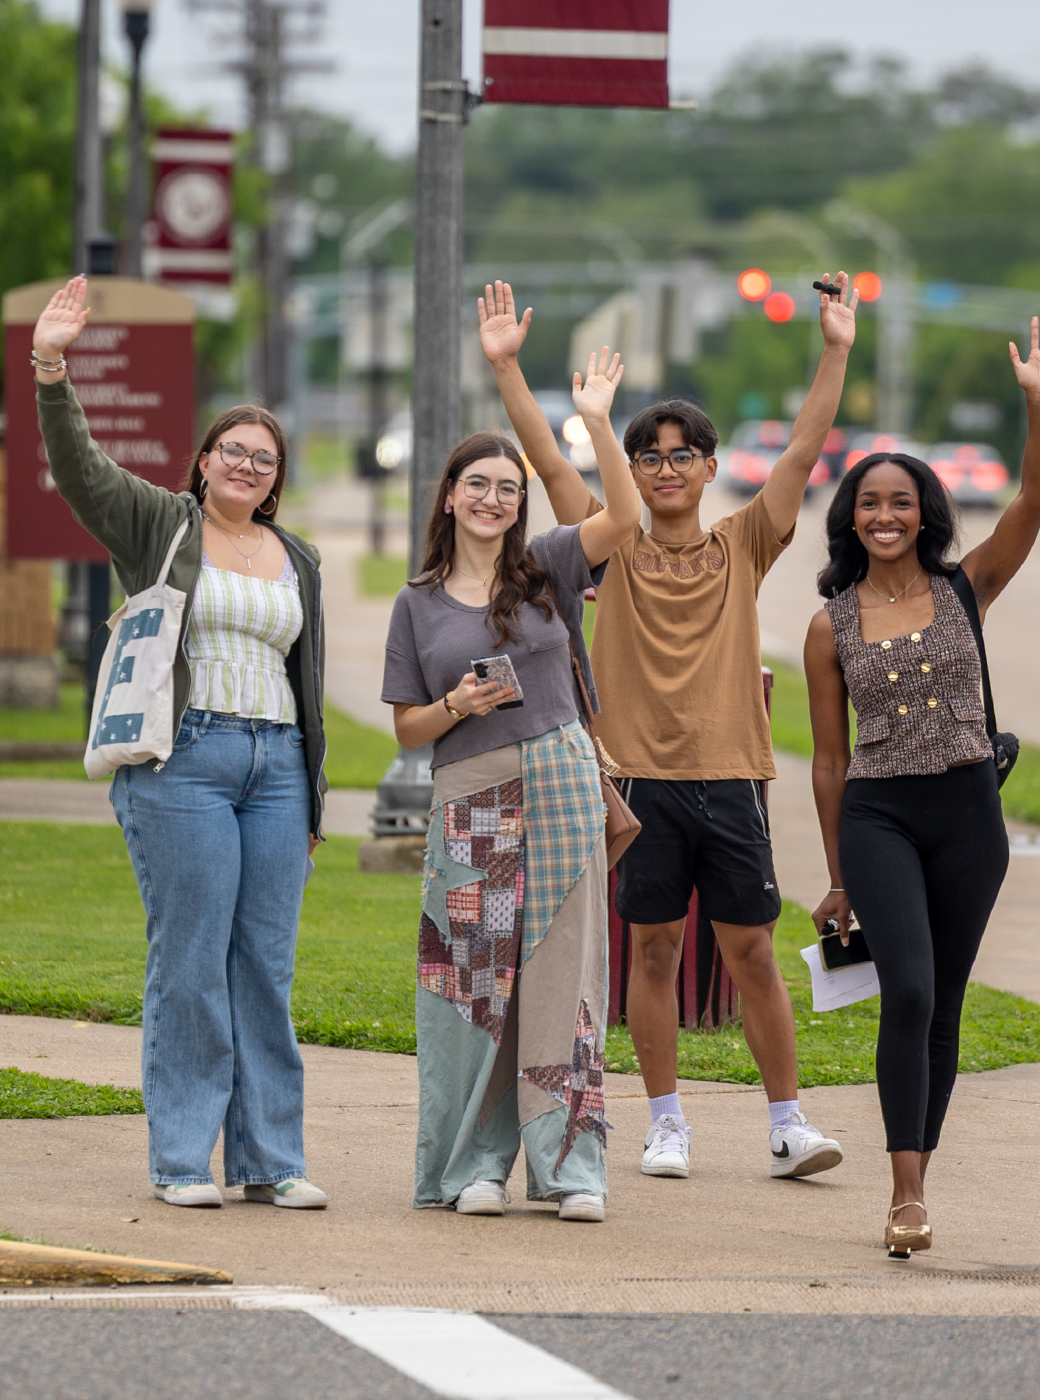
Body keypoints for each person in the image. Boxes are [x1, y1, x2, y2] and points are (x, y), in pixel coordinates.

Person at [527, 273, 861, 1182]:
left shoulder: (743, 543)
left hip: (732, 779)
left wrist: (835, 348)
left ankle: (788, 1124)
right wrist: (515, 372)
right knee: (656, 951)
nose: (667, 468)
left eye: (683, 455)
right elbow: (552, 468)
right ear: (633, 473)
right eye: (650, 457)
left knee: (753, 951)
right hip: (638, 783)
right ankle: (665, 1123)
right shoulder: (612, 546)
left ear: (712, 468)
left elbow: (803, 448)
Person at [26, 277, 333, 1211]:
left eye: (264, 459)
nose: (247, 466)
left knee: (264, 968)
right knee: (192, 961)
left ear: (277, 479)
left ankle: (270, 1160)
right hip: (185, 763)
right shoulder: (163, 525)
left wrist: (313, 794)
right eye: (233, 451)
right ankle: (181, 1161)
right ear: (204, 463)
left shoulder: (301, 560)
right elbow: (81, 470)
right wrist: (51, 366)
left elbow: (308, 682)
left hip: (277, 769)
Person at [804, 315, 1040, 1256]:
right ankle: (903, 1195)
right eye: (870, 502)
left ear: (925, 514)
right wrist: (839, 875)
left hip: (967, 816)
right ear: (851, 516)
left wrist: (1038, 403)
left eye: (902, 503)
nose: (886, 516)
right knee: (907, 992)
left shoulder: (967, 588)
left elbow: (1034, 498)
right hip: (880, 816)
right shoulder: (829, 625)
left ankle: (918, 1180)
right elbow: (828, 761)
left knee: (944, 1003)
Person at [385, 285, 644, 1223]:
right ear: (450, 496)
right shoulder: (417, 603)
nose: (494, 498)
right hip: (469, 794)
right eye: (478, 485)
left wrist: (596, 423)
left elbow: (626, 516)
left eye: (508, 488)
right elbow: (407, 729)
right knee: (471, 983)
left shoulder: (550, 569)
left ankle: (572, 1167)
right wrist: (455, 703)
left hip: (562, 782)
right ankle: (473, 1168)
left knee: (565, 976)